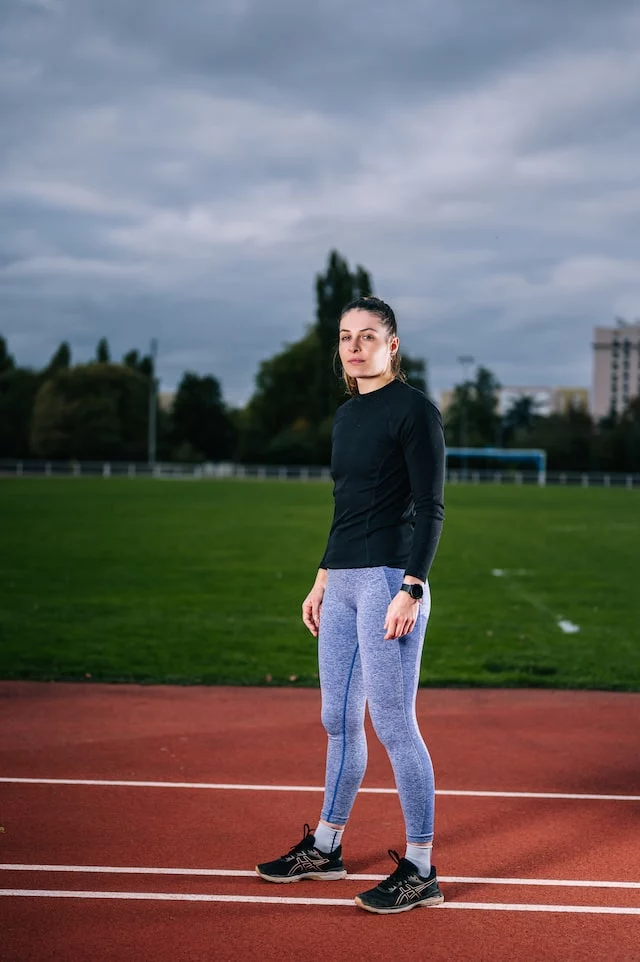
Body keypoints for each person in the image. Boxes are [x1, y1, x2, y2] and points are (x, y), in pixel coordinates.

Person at [256, 295, 446, 914]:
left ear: (392, 345)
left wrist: (411, 587)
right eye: (346, 337)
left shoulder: (415, 412)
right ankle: (327, 847)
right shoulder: (346, 416)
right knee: (337, 721)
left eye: (369, 336)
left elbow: (431, 507)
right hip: (340, 582)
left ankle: (421, 868)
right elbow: (346, 508)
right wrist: (320, 578)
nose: (355, 346)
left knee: (393, 723)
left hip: (389, 580)